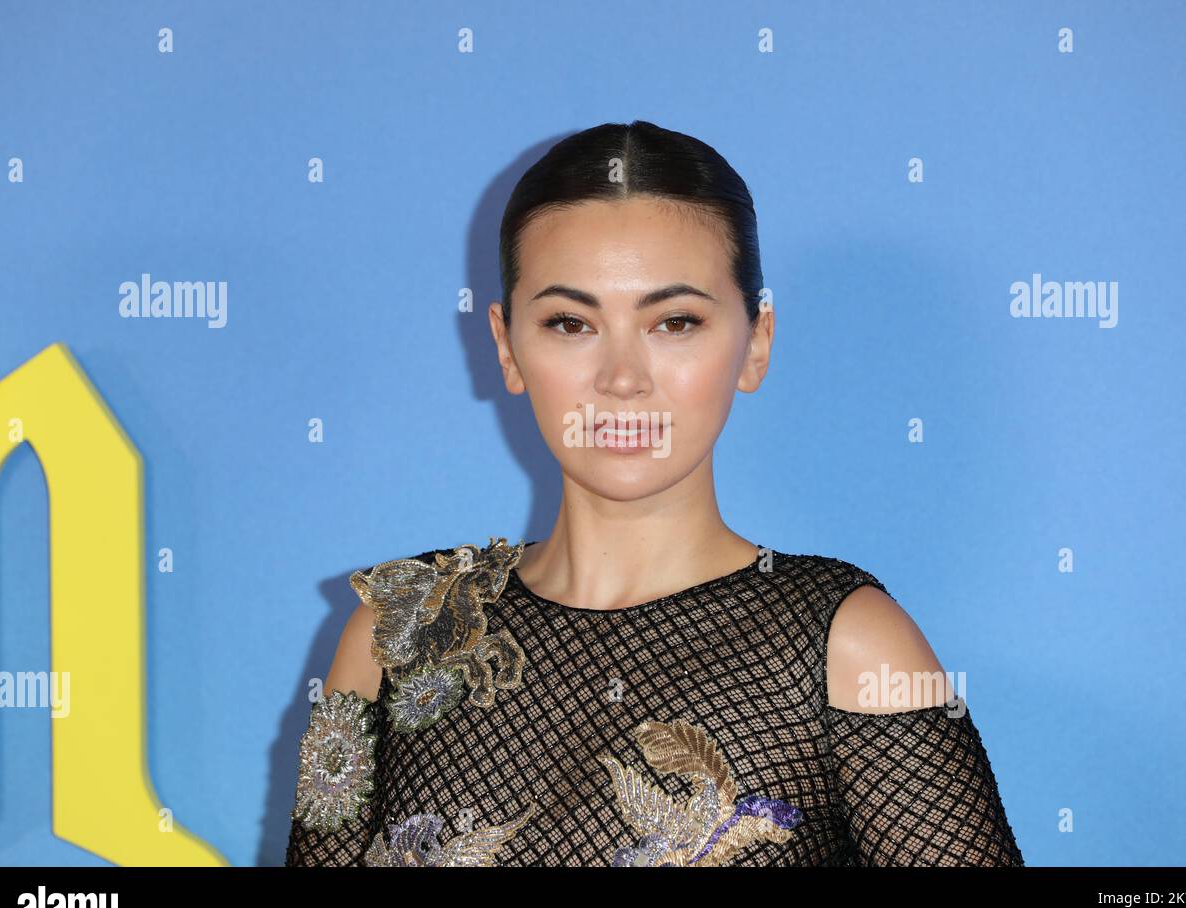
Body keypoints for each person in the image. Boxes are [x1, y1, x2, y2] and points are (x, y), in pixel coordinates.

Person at [284, 120, 1024, 867]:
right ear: (508, 348)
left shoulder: (849, 647)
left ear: (756, 341)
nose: (622, 378)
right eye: (570, 323)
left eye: (675, 322)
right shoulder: (400, 630)